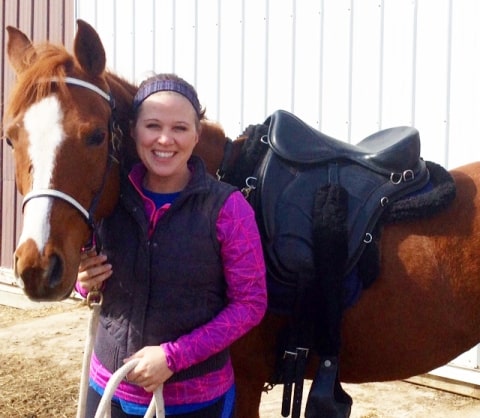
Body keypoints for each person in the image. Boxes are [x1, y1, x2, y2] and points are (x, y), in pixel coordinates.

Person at [76, 73, 267, 417]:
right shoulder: (109, 200)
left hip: (195, 400)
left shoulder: (229, 209)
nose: (165, 139)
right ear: (133, 130)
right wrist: (84, 281)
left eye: (180, 128)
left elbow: (250, 303)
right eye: (152, 126)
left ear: (197, 135)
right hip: (108, 391)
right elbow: (87, 281)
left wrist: (172, 356)